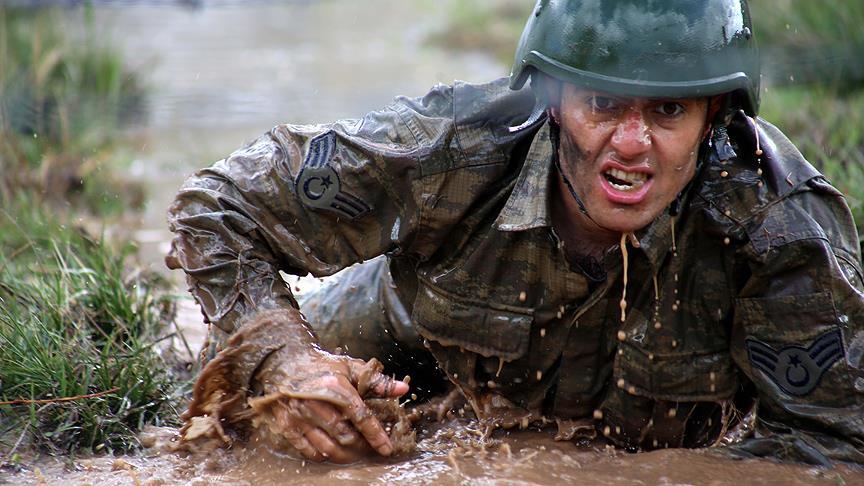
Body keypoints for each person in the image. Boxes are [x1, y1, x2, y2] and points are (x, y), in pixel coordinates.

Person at [166, 0, 864, 466]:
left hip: (660, 421)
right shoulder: (450, 150)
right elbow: (218, 206)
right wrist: (287, 363)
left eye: (669, 111)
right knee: (262, 413)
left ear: (715, 118)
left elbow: (833, 448)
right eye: (602, 103)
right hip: (414, 322)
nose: (631, 143)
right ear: (554, 99)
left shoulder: (782, 233)